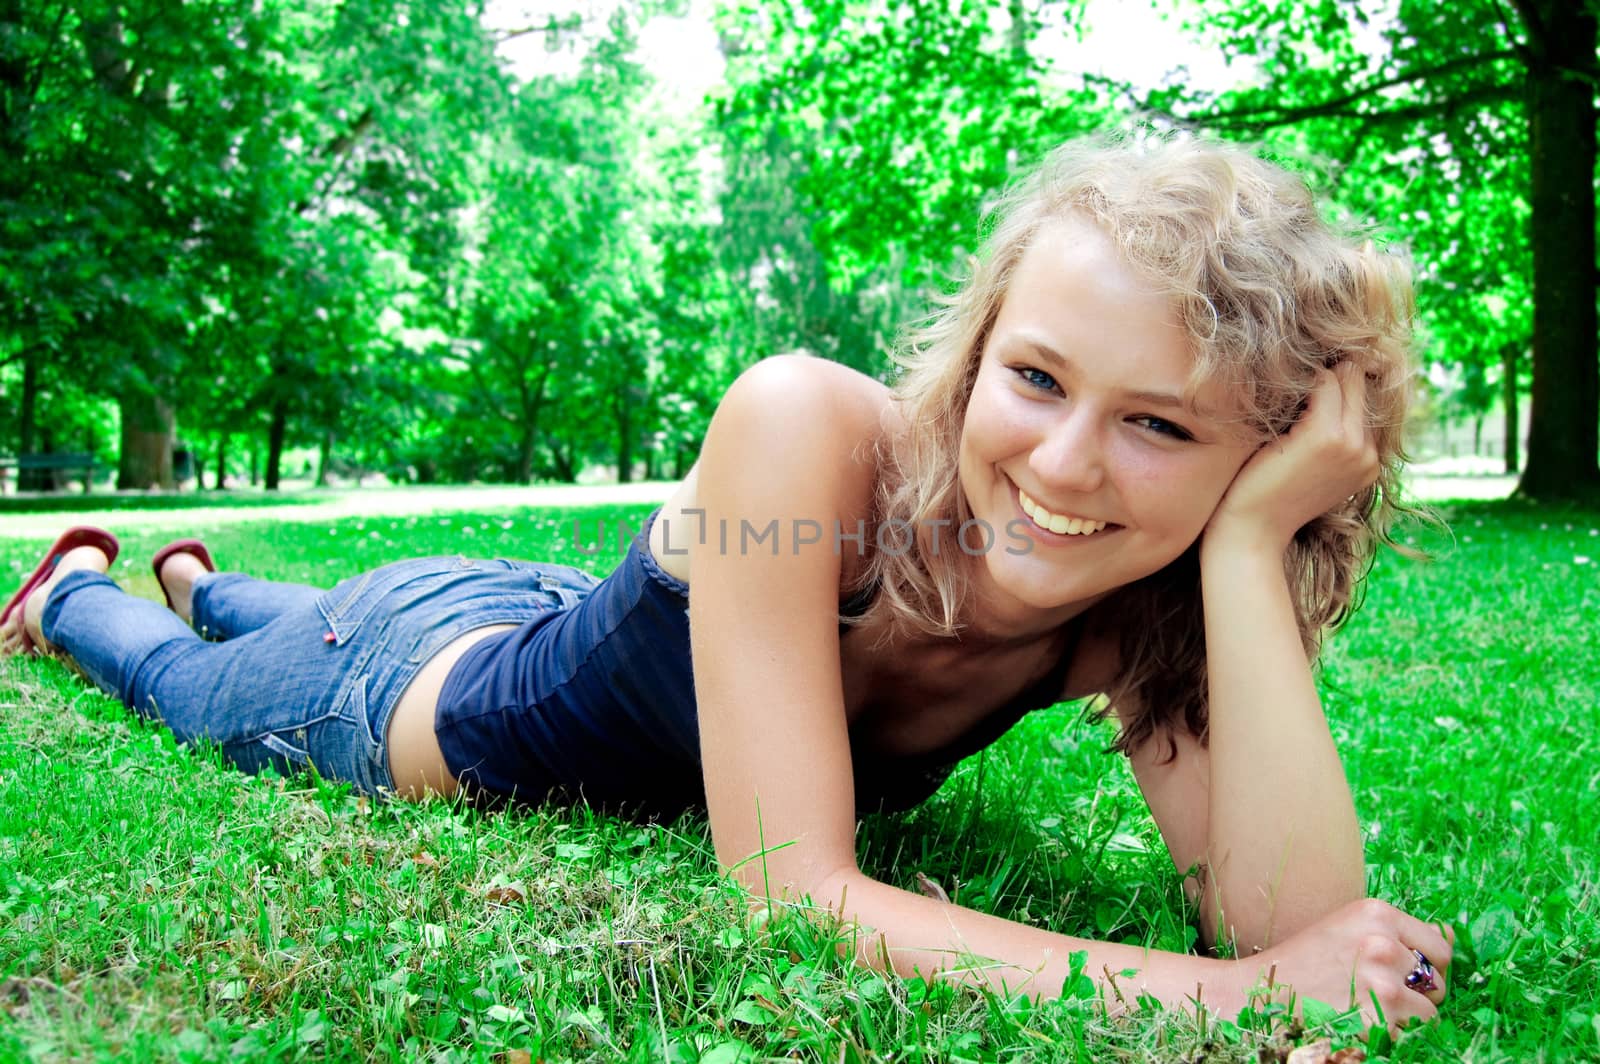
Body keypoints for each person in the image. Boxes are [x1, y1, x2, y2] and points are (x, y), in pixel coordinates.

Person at [2, 133, 1450, 1032]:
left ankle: (212, 576)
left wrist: (1249, 554)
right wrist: (1224, 1007)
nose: (1066, 466)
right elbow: (793, 898)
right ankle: (84, 593)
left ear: (1262, 456)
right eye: (1036, 378)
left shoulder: (1148, 603)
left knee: (264, 617)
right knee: (182, 684)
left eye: (1161, 424)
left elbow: (1293, 923)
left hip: (539, 604)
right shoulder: (808, 426)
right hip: (403, 689)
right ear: (976, 348)